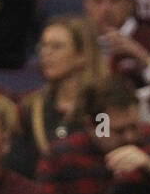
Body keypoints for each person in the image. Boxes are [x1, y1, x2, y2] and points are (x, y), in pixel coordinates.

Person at [14, 18, 105, 178]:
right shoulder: (31, 107)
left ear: (81, 55)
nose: (45, 53)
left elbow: (106, 149)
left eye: (56, 47)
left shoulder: (102, 106)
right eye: (43, 46)